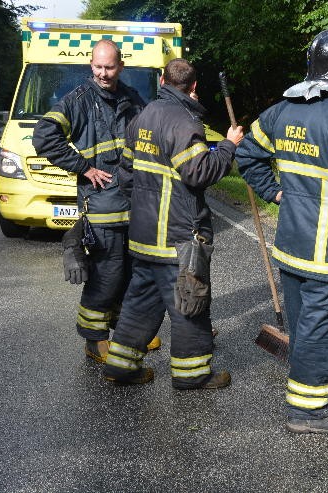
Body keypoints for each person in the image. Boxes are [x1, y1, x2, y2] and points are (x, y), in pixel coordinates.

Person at [235, 30, 328, 434]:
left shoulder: (280, 111)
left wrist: (275, 192)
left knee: (305, 326)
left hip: (289, 246)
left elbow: (247, 155)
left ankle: (305, 399)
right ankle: (308, 413)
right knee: (323, 330)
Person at [101, 58, 242, 387]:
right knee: (189, 302)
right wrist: (228, 146)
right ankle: (192, 376)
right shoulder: (183, 121)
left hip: (143, 236)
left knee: (140, 303)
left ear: (163, 80)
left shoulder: (142, 117)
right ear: (194, 87)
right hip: (176, 238)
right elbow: (199, 172)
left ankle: (120, 366)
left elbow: (126, 178)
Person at [32, 39, 159, 363]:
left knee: (131, 271)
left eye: (109, 67)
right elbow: (44, 136)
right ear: (91, 65)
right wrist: (83, 168)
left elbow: (151, 132)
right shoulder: (76, 101)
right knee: (107, 274)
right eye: (98, 67)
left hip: (133, 204)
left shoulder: (131, 98)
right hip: (101, 204)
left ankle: (124, 328)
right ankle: (93, 339)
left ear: (121, 66)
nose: (103, 73)